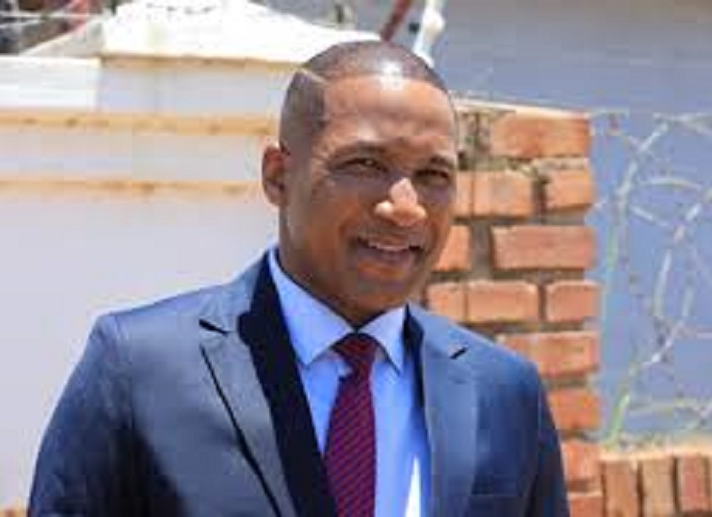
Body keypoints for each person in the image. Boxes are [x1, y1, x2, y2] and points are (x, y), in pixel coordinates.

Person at [29, 41, 568, 516]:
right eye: (365, 164)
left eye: (434, 175)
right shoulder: (139, 370)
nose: (406, 208)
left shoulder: (502, 392)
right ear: (277, 176)